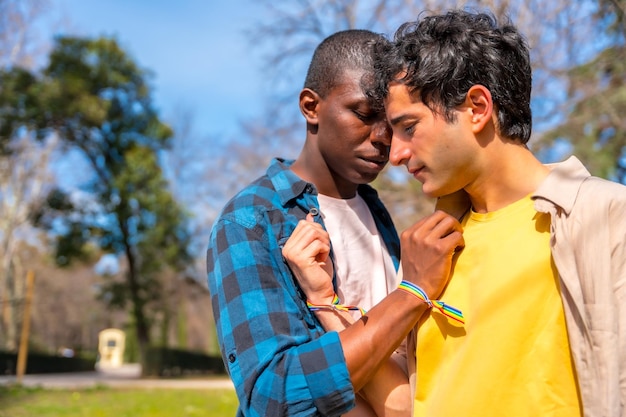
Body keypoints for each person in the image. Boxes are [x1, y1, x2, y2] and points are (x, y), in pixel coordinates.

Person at [366, 9, 624, 416]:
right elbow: (404, 405)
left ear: (477, 107)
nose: (394, 154)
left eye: (409, 127)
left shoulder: (604, 216)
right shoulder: (430, 249)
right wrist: (323, 296)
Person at [207, 29, 464, 416]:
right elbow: (271, 396)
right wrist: (412, 292)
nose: (383, 139)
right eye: (363, 114)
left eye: (393, 123)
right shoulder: (249, 221)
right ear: (311, 107)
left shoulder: (375, 209)